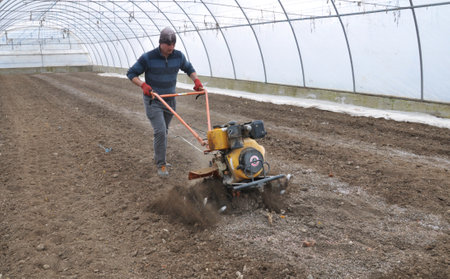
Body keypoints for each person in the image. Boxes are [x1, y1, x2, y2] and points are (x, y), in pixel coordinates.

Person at [127, 27, 204, 177]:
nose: (171, 47)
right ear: (161, 43)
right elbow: (131, 73)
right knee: (160, 131)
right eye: (168, 44)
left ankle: (158, 157)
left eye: (173, 44)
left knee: (164, 131)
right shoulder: (148, 58)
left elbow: (189, 68)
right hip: (153, 100)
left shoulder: (178, 56)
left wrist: (197, 81)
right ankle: (161, 164)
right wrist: (143, 85)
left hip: (170, 99)